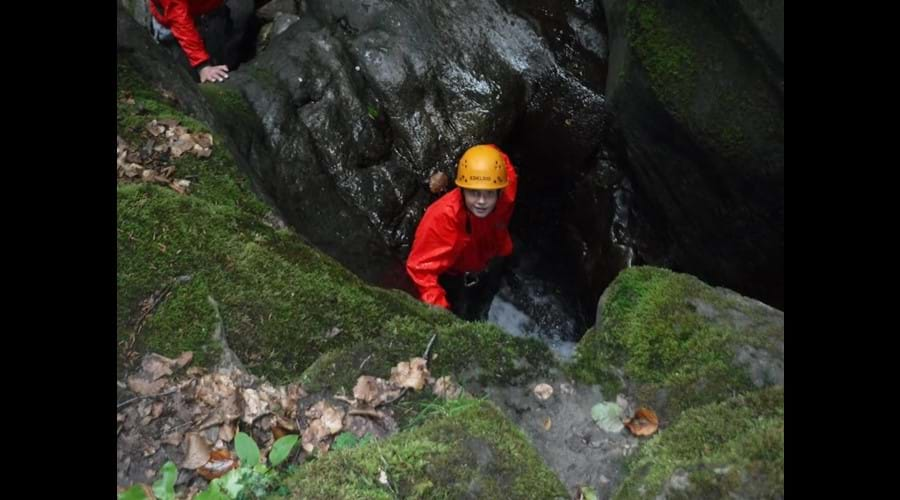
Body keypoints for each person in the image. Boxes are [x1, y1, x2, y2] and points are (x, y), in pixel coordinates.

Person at [406, 144, 518, 320]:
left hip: (494, 255)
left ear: (499, 190)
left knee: (487, 298)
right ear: (462, 189)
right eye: (474, 193)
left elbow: (497, 156)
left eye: (489, 194)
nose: (481, 202)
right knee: (465, 311)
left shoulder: (507, 186)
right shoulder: (443, 219)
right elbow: (419, 269)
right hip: (459, 274)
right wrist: (441, 315)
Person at [147, 0, 255, 83]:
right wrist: (202, 66)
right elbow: (180, 21)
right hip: (175, 27)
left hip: (210, 11)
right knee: (188, 78)